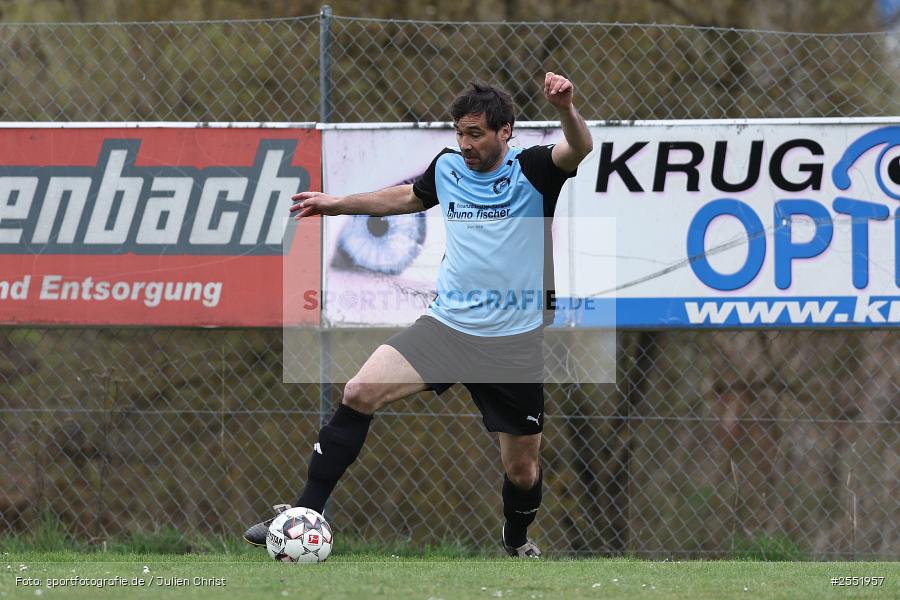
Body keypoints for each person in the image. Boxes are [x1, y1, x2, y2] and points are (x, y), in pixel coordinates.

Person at [243, 72, 592, 557]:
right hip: (446, 328)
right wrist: (338, 204)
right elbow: (409, 196)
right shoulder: (448, 167)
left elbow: (579, 147)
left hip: (512, 344)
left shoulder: (534, 169)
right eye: (460, 133)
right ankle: (302, 514)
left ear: (505, 131)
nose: (465, 144)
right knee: (359, 391)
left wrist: (566, 108)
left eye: (476, 134)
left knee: (522, 471)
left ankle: (516, 541)